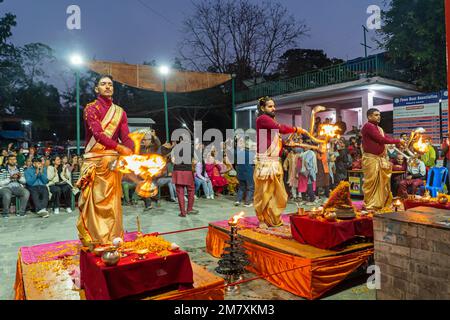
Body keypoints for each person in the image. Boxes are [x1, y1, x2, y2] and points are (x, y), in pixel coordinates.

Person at [76, 75, 134, 246]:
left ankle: (113, 236)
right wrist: (119, 148)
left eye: (110, 84)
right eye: (103, 84)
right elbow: (98, 134)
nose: (107, 87)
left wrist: (130, 148)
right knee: (96, 202)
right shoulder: (91, 109)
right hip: (96, 162)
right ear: (97, 89)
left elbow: (126, 136)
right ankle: (97, 239)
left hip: (113, 164)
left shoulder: (120, 111)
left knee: (113, 202)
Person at [254, 96, 306, 228]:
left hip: (275, 162)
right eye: (270, 106)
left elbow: (278, 138)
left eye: (274, 106)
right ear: (262, 108)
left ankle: (273, 219)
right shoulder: (263, 119)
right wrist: (296, 129)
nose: (274, 108)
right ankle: (262, 220)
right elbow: (280, 128)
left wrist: (287, 144)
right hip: (265, 162)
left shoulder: (270, 120)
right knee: (264, 193)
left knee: (279, 194)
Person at [361, 108, 403, 210]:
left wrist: (398, 142)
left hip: (379, 159)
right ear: (369, 117)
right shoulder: (368, 126)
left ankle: (380, 204)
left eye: (379, 115)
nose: (379, 116)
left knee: (382, 184)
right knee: (371, 183)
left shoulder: (379, 128)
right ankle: (370, 204)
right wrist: (397, 141)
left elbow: (386, 138)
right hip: (371, 160)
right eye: (376, 115)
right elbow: (380, 139)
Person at [171, 136, 198, 217]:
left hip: (177, 171)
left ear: (180, 139)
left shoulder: (175, 148)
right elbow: (196, 160)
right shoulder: (191, 147)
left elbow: (173, 161)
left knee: (180, 192)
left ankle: (183, 212)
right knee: (191, 190)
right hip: (187, 171)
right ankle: (189, 209)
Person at [235, 139, 255, 207]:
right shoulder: (252, 154)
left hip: (240, 173)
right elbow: (254, 163)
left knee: (241, 187)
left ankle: (238, 200)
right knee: (250, 188)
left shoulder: (239, 153)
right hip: (248, 173)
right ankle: (247, 203)